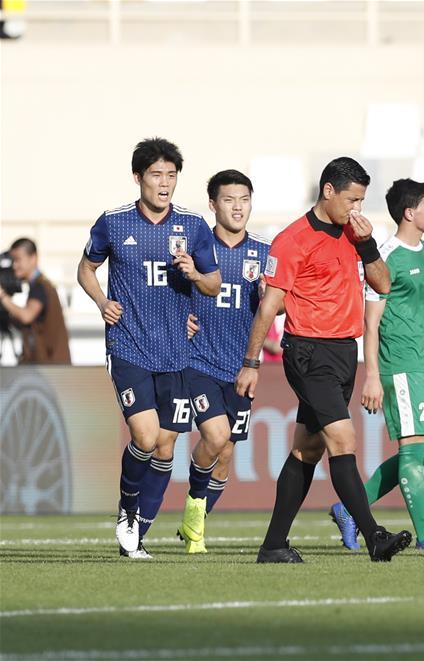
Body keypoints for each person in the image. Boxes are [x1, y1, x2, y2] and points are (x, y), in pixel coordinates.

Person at [235, 157, 412, 563]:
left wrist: (366, 244)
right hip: (308, 351)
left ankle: (273, 545)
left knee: (306, 450)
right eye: (352, 199)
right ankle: (374, 536)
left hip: (342, 351)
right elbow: (268, 307)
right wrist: (252, 363)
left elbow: (383, 284)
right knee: (343, 440)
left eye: (362, 201)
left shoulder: (354, 234)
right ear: (328, 190)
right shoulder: (292, 240)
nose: (357, 209)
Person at [77, 137, 221, 559]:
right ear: (138, 177)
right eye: (156, 175)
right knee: (144, 434)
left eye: (172, 176)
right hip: (128, 345)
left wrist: (195, 273)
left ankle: (137, 533)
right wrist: (103, 302)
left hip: (177, 352)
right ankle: (127, 510)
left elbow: (212, 285)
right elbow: (86, 268)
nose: (165, 184)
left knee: (165, 445)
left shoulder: (192, 226)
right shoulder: (114, 222)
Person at [329, 178, 424, 551]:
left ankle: (346, 510)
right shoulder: (386, 257)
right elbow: (370, 322)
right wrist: (371, 375)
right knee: (411, 452)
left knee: (422, 452)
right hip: (398, 366)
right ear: (410, 212)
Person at [176, 170, 271, 553]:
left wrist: (270, 298)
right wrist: (181, 318)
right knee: (214, 437)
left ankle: (193, 519)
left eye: (244, 199)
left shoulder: (264, 252)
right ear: (213, 204)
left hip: (241, 367)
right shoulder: (198, 247)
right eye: (229, 200)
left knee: (227, 452)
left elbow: (276, 309)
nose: (237, 207)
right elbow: (169, 295)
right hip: (198, 361)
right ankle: (194, 514)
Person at [0, 238, 70, 364]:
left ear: (33, 258)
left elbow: (26, 316)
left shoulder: (41, 286)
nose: (14, 266)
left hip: (52, 370)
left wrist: (2, 296)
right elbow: (31, 325)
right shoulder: (40, 285)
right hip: (48, 368)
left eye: (17, 260)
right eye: (12, 261)